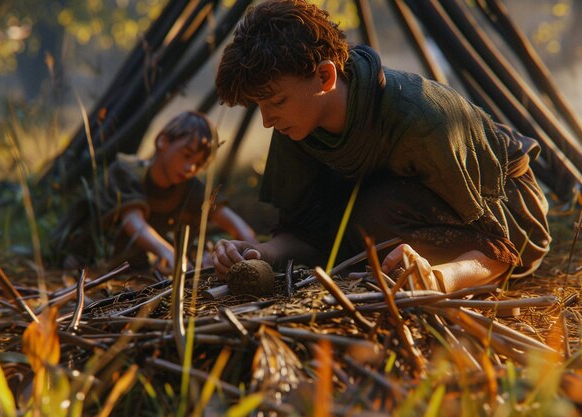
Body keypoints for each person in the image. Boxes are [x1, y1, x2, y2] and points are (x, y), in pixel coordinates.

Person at [211, 0, 551, 292]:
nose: (268, 121)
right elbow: (309, 233)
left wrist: (439, 279)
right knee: (357, 219)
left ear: (325, 77)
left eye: (278, 101)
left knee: (372, 215)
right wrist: (263, 253)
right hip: (394, 213)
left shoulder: (423, 119)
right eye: (260, 107)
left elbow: (498, 249)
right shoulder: (296, 124)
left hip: (506, 205)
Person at [53, 110, 258, 274]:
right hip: (89, 260)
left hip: (136, 269)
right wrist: (172, 256)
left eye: (198, 164)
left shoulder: (190, 185)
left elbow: (237, 225)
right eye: (186, 155)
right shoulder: (126, 171)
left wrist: (254, 254)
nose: (190, 168)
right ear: (163, 142)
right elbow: (134, 223)